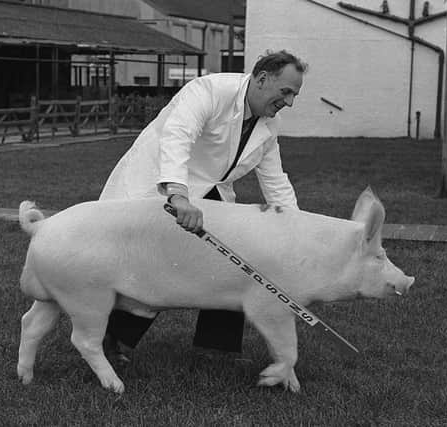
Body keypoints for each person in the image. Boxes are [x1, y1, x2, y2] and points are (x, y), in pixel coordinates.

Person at [99, 49, 307, 359]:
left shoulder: (268, 126)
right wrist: (178, 194)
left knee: (236, 259)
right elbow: (177, 136)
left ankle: (216, 346)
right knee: (158, 266)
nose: (289, 102)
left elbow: (276, 182)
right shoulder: (209, 90)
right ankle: (112, 340)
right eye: (286, 91)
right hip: (159, 184)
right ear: (263, 79)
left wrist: (298, 232)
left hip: (208, 195)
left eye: (294, 95)